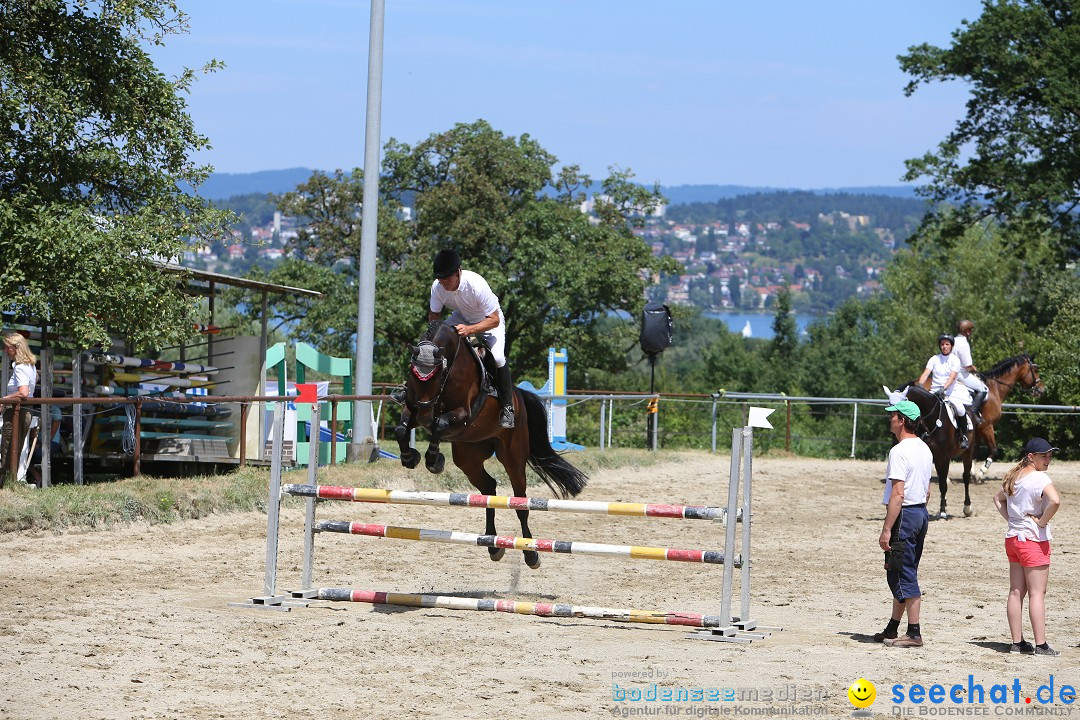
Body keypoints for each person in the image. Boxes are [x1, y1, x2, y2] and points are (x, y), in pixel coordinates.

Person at [428, 249, 516, 428]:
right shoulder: (437, 288)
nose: (443, 282)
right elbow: (434, 316)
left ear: (458, 272)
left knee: (498, 357)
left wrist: (470, 330)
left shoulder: (476, 285)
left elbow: (494, 319)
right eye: (440, 278)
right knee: (431, 343)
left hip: (489, 321)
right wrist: (435, 337)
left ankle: (508, 407)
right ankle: (415, 388)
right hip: (462, 317)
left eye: (447, 278)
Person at [992, 438, 1062, 656]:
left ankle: (1017, 643)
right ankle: (1041, 645)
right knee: (1037, 593)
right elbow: (1056, 501)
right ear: (1031, 457)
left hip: (1013, 538)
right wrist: (1041, 522)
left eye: (1050, 455)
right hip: (1032, 539)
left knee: (1015, 591)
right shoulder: (1039, 478)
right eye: (1044, 456)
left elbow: (997, 498)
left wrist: (1011, 520)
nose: (1048, 459)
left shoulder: (1014, 477)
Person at [874, 399, 933, 648]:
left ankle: (914, 633)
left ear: (902, 421)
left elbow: (897, 495)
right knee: (904, 569)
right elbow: (928, 491)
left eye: (893, 415)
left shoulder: (898, 452)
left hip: (905, 516)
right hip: (920, 514)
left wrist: (887, 528)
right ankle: (892, 628)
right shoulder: (924, 448)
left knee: (902, 573)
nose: (890, 419)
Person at [917, 333, 973, 449]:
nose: (944, 346)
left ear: (951, 346)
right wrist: (919, 385)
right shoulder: (934, 359)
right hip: (934, 392)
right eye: (942, 344)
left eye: (947, 344)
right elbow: (925, 374)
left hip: (949, 393)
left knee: (960, 409)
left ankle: (963, 436)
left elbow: (952, 377)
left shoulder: (955, 360)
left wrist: (943, 388)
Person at [1, 332, 38, 487]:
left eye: (7, 348)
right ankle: (10, 483)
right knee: (14, 449)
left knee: (8, 449)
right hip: (25, 411)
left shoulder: (20, 368)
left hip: (17, 411)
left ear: (15, 348)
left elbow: (23, 392)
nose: (5, 351)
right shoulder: (31, 366)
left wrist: (4, 399)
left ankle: (5, 486)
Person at [954, 320, 989, 423]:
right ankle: (973, 412)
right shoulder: (964, 343)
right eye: (970, 331)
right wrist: (974, 368)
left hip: (952, 372)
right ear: (967, 332)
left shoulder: (954, 340)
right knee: (983, 389)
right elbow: (968, 366)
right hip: (961, 374)